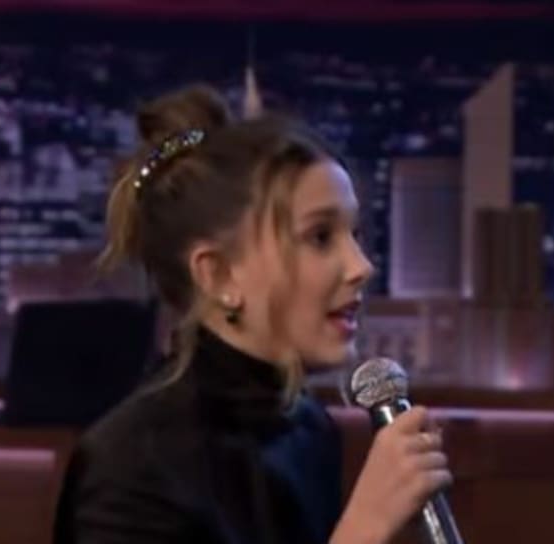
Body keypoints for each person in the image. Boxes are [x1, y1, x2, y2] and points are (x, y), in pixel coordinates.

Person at [53, 85, 451, 544]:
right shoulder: (130, 468)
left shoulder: (309, 429)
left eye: (354, 234)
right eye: (320, 237)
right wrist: (367, 525)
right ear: (219, 274)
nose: (361, 266)